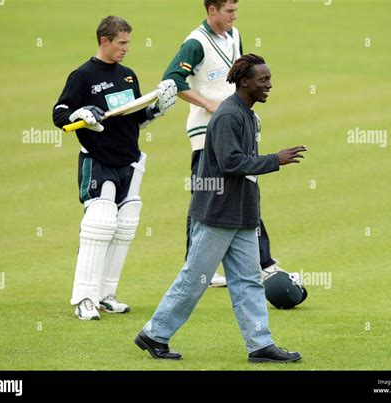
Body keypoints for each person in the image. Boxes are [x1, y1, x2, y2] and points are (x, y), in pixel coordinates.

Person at [135, 54, 307, 362]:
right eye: (263, 80)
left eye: (269, 79)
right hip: (217, 214)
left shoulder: (246, 114)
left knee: (249, 280)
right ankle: (154, 334)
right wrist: (274, 160)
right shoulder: (230, 115)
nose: (269, 85)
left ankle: (259, 344)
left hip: (240, 215)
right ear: (244, 82)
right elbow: (231, 162)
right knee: (195, 278)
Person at [52, 16, 177, 320]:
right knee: (99, 226)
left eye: (128, 43)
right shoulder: (83, 76)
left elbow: (134, 117)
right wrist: (80, 113)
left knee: (124, 229)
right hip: (99, 161)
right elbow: (59, 114)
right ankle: (84, 298)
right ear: (104, 41)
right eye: (121, 43)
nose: (126, 49)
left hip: (129, 160)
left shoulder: (128, 76)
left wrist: (157, 108)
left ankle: (106, 293)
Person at [163, 0, 285, 288]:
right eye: (229, 11)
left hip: (238, 122)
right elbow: (171, 80)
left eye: (235, 10)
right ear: (212, 10)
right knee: (205, 195)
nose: (234, 16)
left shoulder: (235, 35)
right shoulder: (196, 42)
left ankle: (261, 261)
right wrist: (208, 103)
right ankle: (197, 268)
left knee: (246, 186)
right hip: (206, 129)